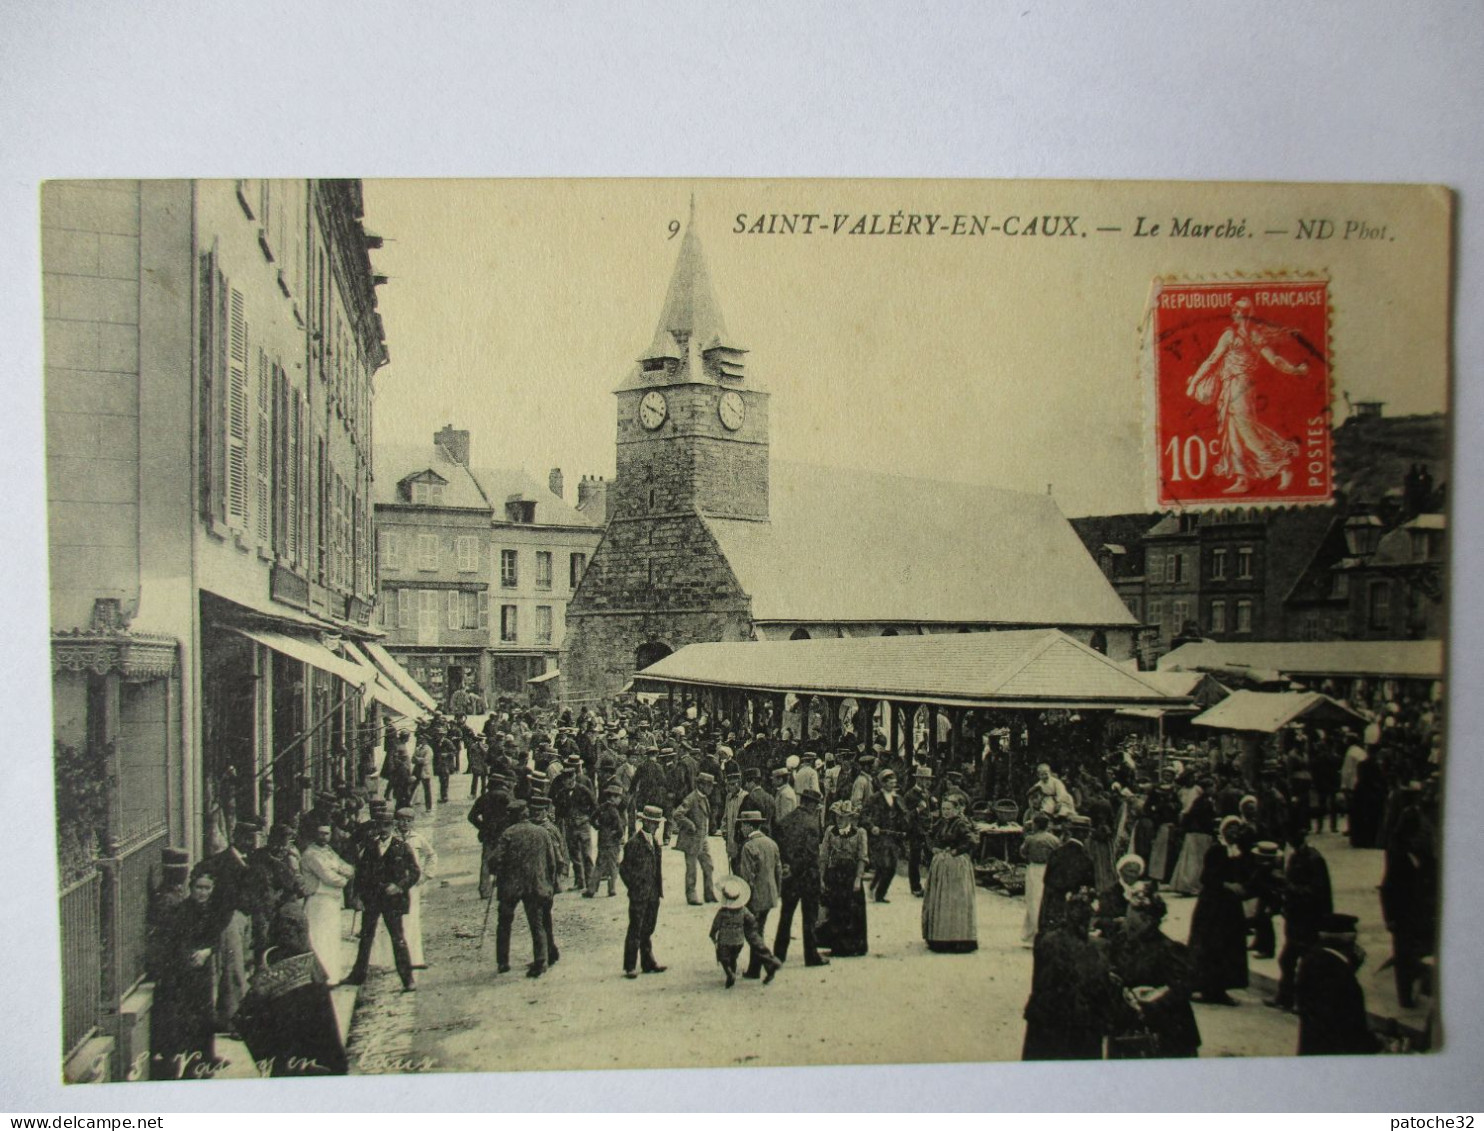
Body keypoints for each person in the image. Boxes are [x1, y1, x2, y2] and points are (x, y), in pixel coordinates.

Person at [1183, 295, 1311, 494]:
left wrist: (1295, 370)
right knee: (1232, 430)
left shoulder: (1249, 336)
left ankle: (1282, 466)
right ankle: (1242, 479)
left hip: (1240, 385)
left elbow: (1274, 360)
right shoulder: (1241, 335)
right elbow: (1212, 360)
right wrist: (1296, 370)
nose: (1237, 316)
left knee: (1246, 428)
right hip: (1231, 385)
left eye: (1240, 312)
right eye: (1236, 312)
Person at [1105, 884, 1202, 1059]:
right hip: (1129, 1027)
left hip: (1166, 1030)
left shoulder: (1168, 949)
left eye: (1134, 924)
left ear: (1149, 920)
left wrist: (1154, 996)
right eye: (1128, 920)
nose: (1127, 926)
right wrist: (1121, 989)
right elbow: (1111, 971)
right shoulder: (1120, 943)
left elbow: (1183, 986)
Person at [1022, 895, 1117, 1060]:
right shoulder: (1099, 947)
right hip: (1082, 1022)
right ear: (1089, 920)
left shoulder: (1045, 940)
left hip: (1047, 1019)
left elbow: (1039, 982)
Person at [149, 869, 221, 1080]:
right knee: (187, 1016)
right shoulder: (182, 911)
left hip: (204, 969)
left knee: (205, 1013)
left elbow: (215, 938)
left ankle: (205, 1059)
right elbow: (177, 940)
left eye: (207, 888)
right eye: (199, 887)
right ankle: (188, 1061)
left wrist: (207, 952)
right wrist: (191, 957)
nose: (202, 892)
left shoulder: (212, 911)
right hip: (185, 971)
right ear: (191, 888)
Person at [343, 808, 420, 992]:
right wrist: (358, 897)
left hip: (393, 900)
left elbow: (415, 872)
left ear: (393, 826)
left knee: (398, 939)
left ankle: (407, 979)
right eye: (380, 825)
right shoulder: (370, 847)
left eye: (387, 825)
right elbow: (361, 873)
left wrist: (400, 886)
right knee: (366, 937)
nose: (383, 829)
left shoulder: (402, 847)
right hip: (372, 899)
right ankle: (357, 975)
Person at [1267, 823, 1333, 1012]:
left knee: (1302, 962)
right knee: (1287, 960)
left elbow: (1316, 891)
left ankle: (1299, 1000)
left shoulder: (1313, 858)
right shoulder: (1297, 856)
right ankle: (1286, 997)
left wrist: (1287, 885)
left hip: (1309, 919)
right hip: (1296, 918)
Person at [491, 799, 560, 978]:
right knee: (537, 924)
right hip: (535, 885)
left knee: (504, 923)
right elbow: (552, 861)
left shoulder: (508, 833)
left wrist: (497, 870)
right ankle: (541, 961)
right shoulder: (542, 833)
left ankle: (503, 962)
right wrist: (549, 883)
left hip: (511, 886)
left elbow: (494, 860)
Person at [1295, 913, 1381, 1055]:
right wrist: (1374, 1044)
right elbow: (1347, 1021)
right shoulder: (1338, 972)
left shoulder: (1312, 959)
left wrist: (1349, 965)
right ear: (1349, 943)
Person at [1187, 815, 1249, 1006]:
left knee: (1228, 947)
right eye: (1230, 828)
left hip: (1230, 907)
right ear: (1223, 831)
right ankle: (1208, 989)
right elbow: (1206, 877)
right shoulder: (1216, 850)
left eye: (1237, 829)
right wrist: (1227, 885)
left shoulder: (1239, 852)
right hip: (1212, 906)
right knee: (1211, 945)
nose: (1234, 832)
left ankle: (1220, 988)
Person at [773, 788, 828, 967]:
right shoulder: (812, 824)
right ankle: (810, 955)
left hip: (789, 877)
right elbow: (812, 855)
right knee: (809, 918)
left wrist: (787, 867)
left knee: (786, 916)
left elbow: (779, 849)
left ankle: (779, 955)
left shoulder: (785, 821)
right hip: (807, 877)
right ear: (811, 804)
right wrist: (818, 878)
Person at [921, 790, 978, 953]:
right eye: (943, 809)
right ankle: (939, 937)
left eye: (949, 809)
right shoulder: (941, 822)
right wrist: (933, 848)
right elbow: (929, 834)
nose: (946, 812)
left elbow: (972, 840)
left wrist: (956, 851)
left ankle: (957, 938)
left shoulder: (961, 823)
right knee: (941, 899)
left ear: (957, 809)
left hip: (956, 866)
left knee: (954, 900)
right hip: (941, 865)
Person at [299, 820, 355, 983]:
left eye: (327, 833)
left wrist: (342, 873)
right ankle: (320, 979)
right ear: (314, 834)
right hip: (318, 901)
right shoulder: (311, 854)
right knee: (320, 939)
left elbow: (347, 868)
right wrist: (343, 879)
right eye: (321, 833)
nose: (324, 837)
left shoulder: (328, 851)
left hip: (331, 901)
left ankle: (332, 976)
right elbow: (329, 877)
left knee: (331, 938)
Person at [619, 805, 668, 978]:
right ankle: (630, 965)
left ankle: (648, 962)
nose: (656, 827)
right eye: (653, 823)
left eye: (658, 824)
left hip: (653, 893)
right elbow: (624, 869)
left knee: (648, 928)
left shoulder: (654, 842)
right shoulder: (634, 843)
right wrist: (634, 887)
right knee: (635, 929)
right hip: (639, 894)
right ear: (645, 822)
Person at [817, 800, 870, 958]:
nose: (839, 820)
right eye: (837, 817)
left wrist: (858, 879)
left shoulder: (860, 833)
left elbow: (862, 857)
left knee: (853, 910)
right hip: (835, 876)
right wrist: (821, 878)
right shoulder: (829, 832)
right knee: (835, 910)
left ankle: (854, 946)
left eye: (843, 817)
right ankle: (837, 946)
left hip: (851, 875)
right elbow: (824, 857)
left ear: (850, 818)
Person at [734, 809, 782, 979]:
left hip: (755, 898)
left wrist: (743, 901)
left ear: (748, 826)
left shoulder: (749, 846)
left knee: (751, 932)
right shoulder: (771, 843)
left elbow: (748, 877)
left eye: (742, 825)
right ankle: (755, 969)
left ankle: (769, 962)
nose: (740, 829)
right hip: (770, 894)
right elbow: (778, 870)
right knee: (758, 930)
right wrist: (777, 892)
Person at [709, 876, 780, 988]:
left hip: (754, 896)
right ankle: (765, 963)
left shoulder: (725, 910)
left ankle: (765, 963)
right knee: (754, 934)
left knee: (752, 935)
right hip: (767, 890)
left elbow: (747, 873)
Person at [396, 807, 437, 970]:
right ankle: (398, 960)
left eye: (408, 821)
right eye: (401, 820)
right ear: (396, 821)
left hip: (412, 884)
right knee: (396, 921)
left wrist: (426, 876)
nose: (404, 824)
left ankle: (415, 958)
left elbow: (431, 855)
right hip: (397, 884)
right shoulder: (392, 838)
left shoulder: (418, 839)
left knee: (412, 920)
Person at [1040, 815, 1096, 934]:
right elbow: (1089, 888)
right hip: (1073, 907)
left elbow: (1046, 880)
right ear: (1085, 835)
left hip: (1053, 903)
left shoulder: (1056, 853)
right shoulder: (1086, 859)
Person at [672, 771, 718, 905]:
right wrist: (690, 824)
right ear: (702, 785)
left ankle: (709, 894)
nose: (711, 788)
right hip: (691, 840)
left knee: (708, 866)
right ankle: (691, 895)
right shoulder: (691, 798)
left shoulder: (704, 798)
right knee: (691, 869)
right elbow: (677, 814)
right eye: (709, 785)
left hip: (702, 839)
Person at [864, 768, 907, 904]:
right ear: (882, 784)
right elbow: (864, 815)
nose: (892, 785)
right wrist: (872, 827)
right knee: (882, 864)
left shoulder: (898, 798)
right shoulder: (875, 798)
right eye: (889, 783)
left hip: (893, 836)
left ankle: (880, 894)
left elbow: (904, 817)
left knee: (892, 866)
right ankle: (872, 887)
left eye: (894, 783)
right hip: (880, 836)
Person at [1020, 814, 1060, 946]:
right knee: (1044, 899)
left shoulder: (1030, 839)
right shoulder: (1054, 839)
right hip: (1049, 869)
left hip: (1034, 869)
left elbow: (1023, 853)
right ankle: (1041, 931)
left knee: (1033, 900)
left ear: (1035, 825)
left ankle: (1034, 933)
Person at [584, 783, 626, 898]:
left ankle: (592, 889)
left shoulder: (602, 807)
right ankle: (611, 888)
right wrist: (618, 836)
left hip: (602, 839)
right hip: (613, 842)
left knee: (599, 864)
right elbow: (620, 829)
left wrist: (598, 827)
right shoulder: (615, 811)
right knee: (613, 865)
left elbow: (592, 818)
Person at [903, 766, 935, 897]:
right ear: (919, 779)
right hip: (916, 831)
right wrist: (918, 809)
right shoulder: (910, 795)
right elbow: (906, 816)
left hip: (927, 831)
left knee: (931, 858)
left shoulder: (927, 793)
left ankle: (932, 886)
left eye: (929, 779)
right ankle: (915, 887)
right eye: (926, 779)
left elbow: (931, 811)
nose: (928, 782)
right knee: (915, 859)